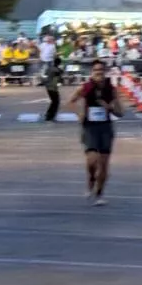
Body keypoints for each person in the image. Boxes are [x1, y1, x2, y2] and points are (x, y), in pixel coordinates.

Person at [74, 58, 121, 205]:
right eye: (96, 70)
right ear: (92, 72)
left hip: (105, 128)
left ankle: (99, 194)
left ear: (105, 72)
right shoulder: (86, 87)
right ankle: (91, 179)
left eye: (101, 70)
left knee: (104, 164)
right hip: (90, 128)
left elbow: (121, 112)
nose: (98, 73)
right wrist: (79, 113)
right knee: (92, 161)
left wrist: (110, 107)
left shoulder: (111, 89)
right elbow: (70, 102)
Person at [42, 51, 64, 122]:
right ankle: (50, 115)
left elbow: (45, 76)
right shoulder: (58, 70)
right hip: (53, 88)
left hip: (48, 87)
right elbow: (60, 79)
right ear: (59, 63)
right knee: (56, 102)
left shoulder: (49, 68)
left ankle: (49, 114)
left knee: (53, 101)